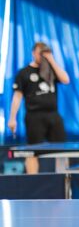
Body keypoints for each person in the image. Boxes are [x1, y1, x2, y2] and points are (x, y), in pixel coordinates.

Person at [8, 42, 71, 174]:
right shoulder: (24, 73)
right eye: (40, 53)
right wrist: (12, 118)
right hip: (34, 116)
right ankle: (33, 180)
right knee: (32, 151)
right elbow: (17, 96)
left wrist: (51, 60)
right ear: (33, 53)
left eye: (45, 53)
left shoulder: (51, 70)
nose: (42, 56)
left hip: (53, 115)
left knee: (62, 150)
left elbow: (66, 80)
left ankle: (64, 179)